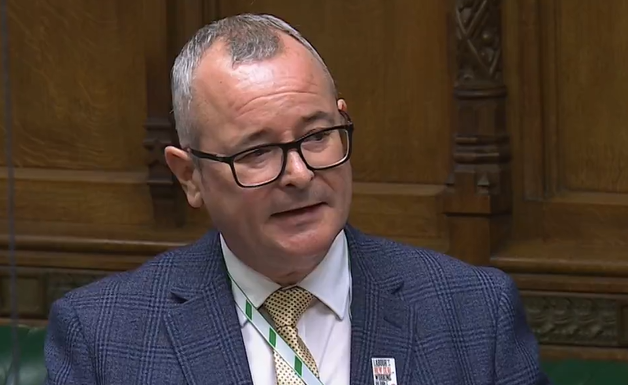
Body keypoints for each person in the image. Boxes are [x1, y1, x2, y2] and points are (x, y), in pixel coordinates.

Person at [44, 13, 550, 385]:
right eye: (258, 151)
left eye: (316, 137)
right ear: (189, 175)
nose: (299, 173)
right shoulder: (103, 338)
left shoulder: (474, 314)